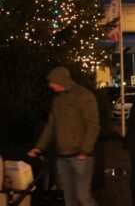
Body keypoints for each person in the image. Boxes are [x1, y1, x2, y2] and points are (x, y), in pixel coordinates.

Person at [27, 66, 100, 206]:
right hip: (62, 157)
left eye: (52, 81)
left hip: (80, 157)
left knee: (83, 197)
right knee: (69, 198)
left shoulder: (84, 96)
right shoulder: (58, 101)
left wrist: (84, 151)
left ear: (61, 80)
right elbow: (51, 127)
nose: (50, 85)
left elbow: (93, 126)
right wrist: (39, 147)